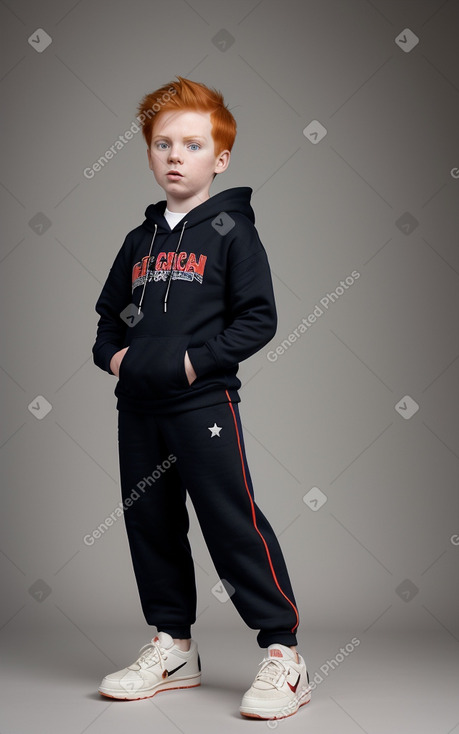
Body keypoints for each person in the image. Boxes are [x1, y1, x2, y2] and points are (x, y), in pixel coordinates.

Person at [92, 76, 311, 720]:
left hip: (202, 407)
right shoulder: (140, 241)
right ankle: (173, 646)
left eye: (192, 143)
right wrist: (118, 359)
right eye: (162, 144)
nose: (175, 155)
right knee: (150, 522)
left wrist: (192, 364)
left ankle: (283, 654)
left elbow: (258, 318)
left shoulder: (231, 232)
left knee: (229, 520)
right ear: (150, 156)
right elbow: (108, 317)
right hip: (138, 411)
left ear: (220, 158)